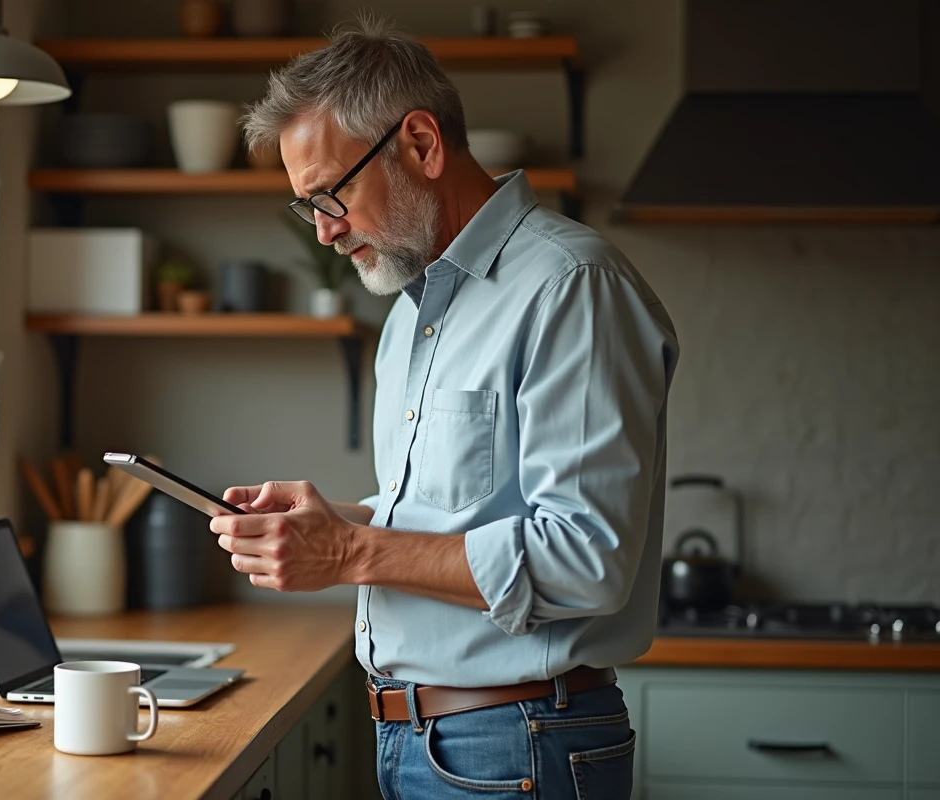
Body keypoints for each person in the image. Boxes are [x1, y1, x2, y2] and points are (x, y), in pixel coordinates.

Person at [209, 15, 679, 800]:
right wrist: (331, 524)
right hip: (425, 742)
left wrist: (350, 553)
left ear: (422, 144)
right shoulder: (411, 311)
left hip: (519, 744)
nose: (324, 231)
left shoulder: (571, 286)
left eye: (332, 193)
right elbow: (453, 519)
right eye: (307, 207)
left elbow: (587, 558)